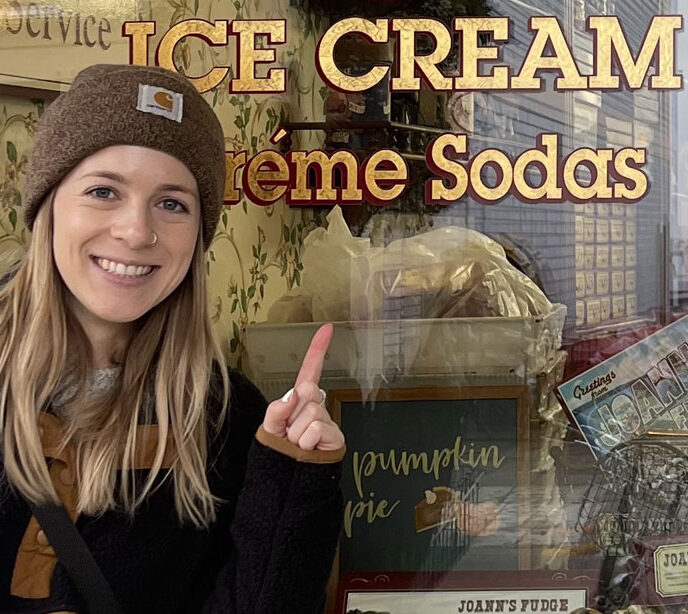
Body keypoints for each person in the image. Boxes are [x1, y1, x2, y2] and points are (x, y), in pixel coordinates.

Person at [0, 63, 346, 614]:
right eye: (103, 191)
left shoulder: (225, 420)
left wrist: (292, 476)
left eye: (172, 203)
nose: (136, 231)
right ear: (48, 204)